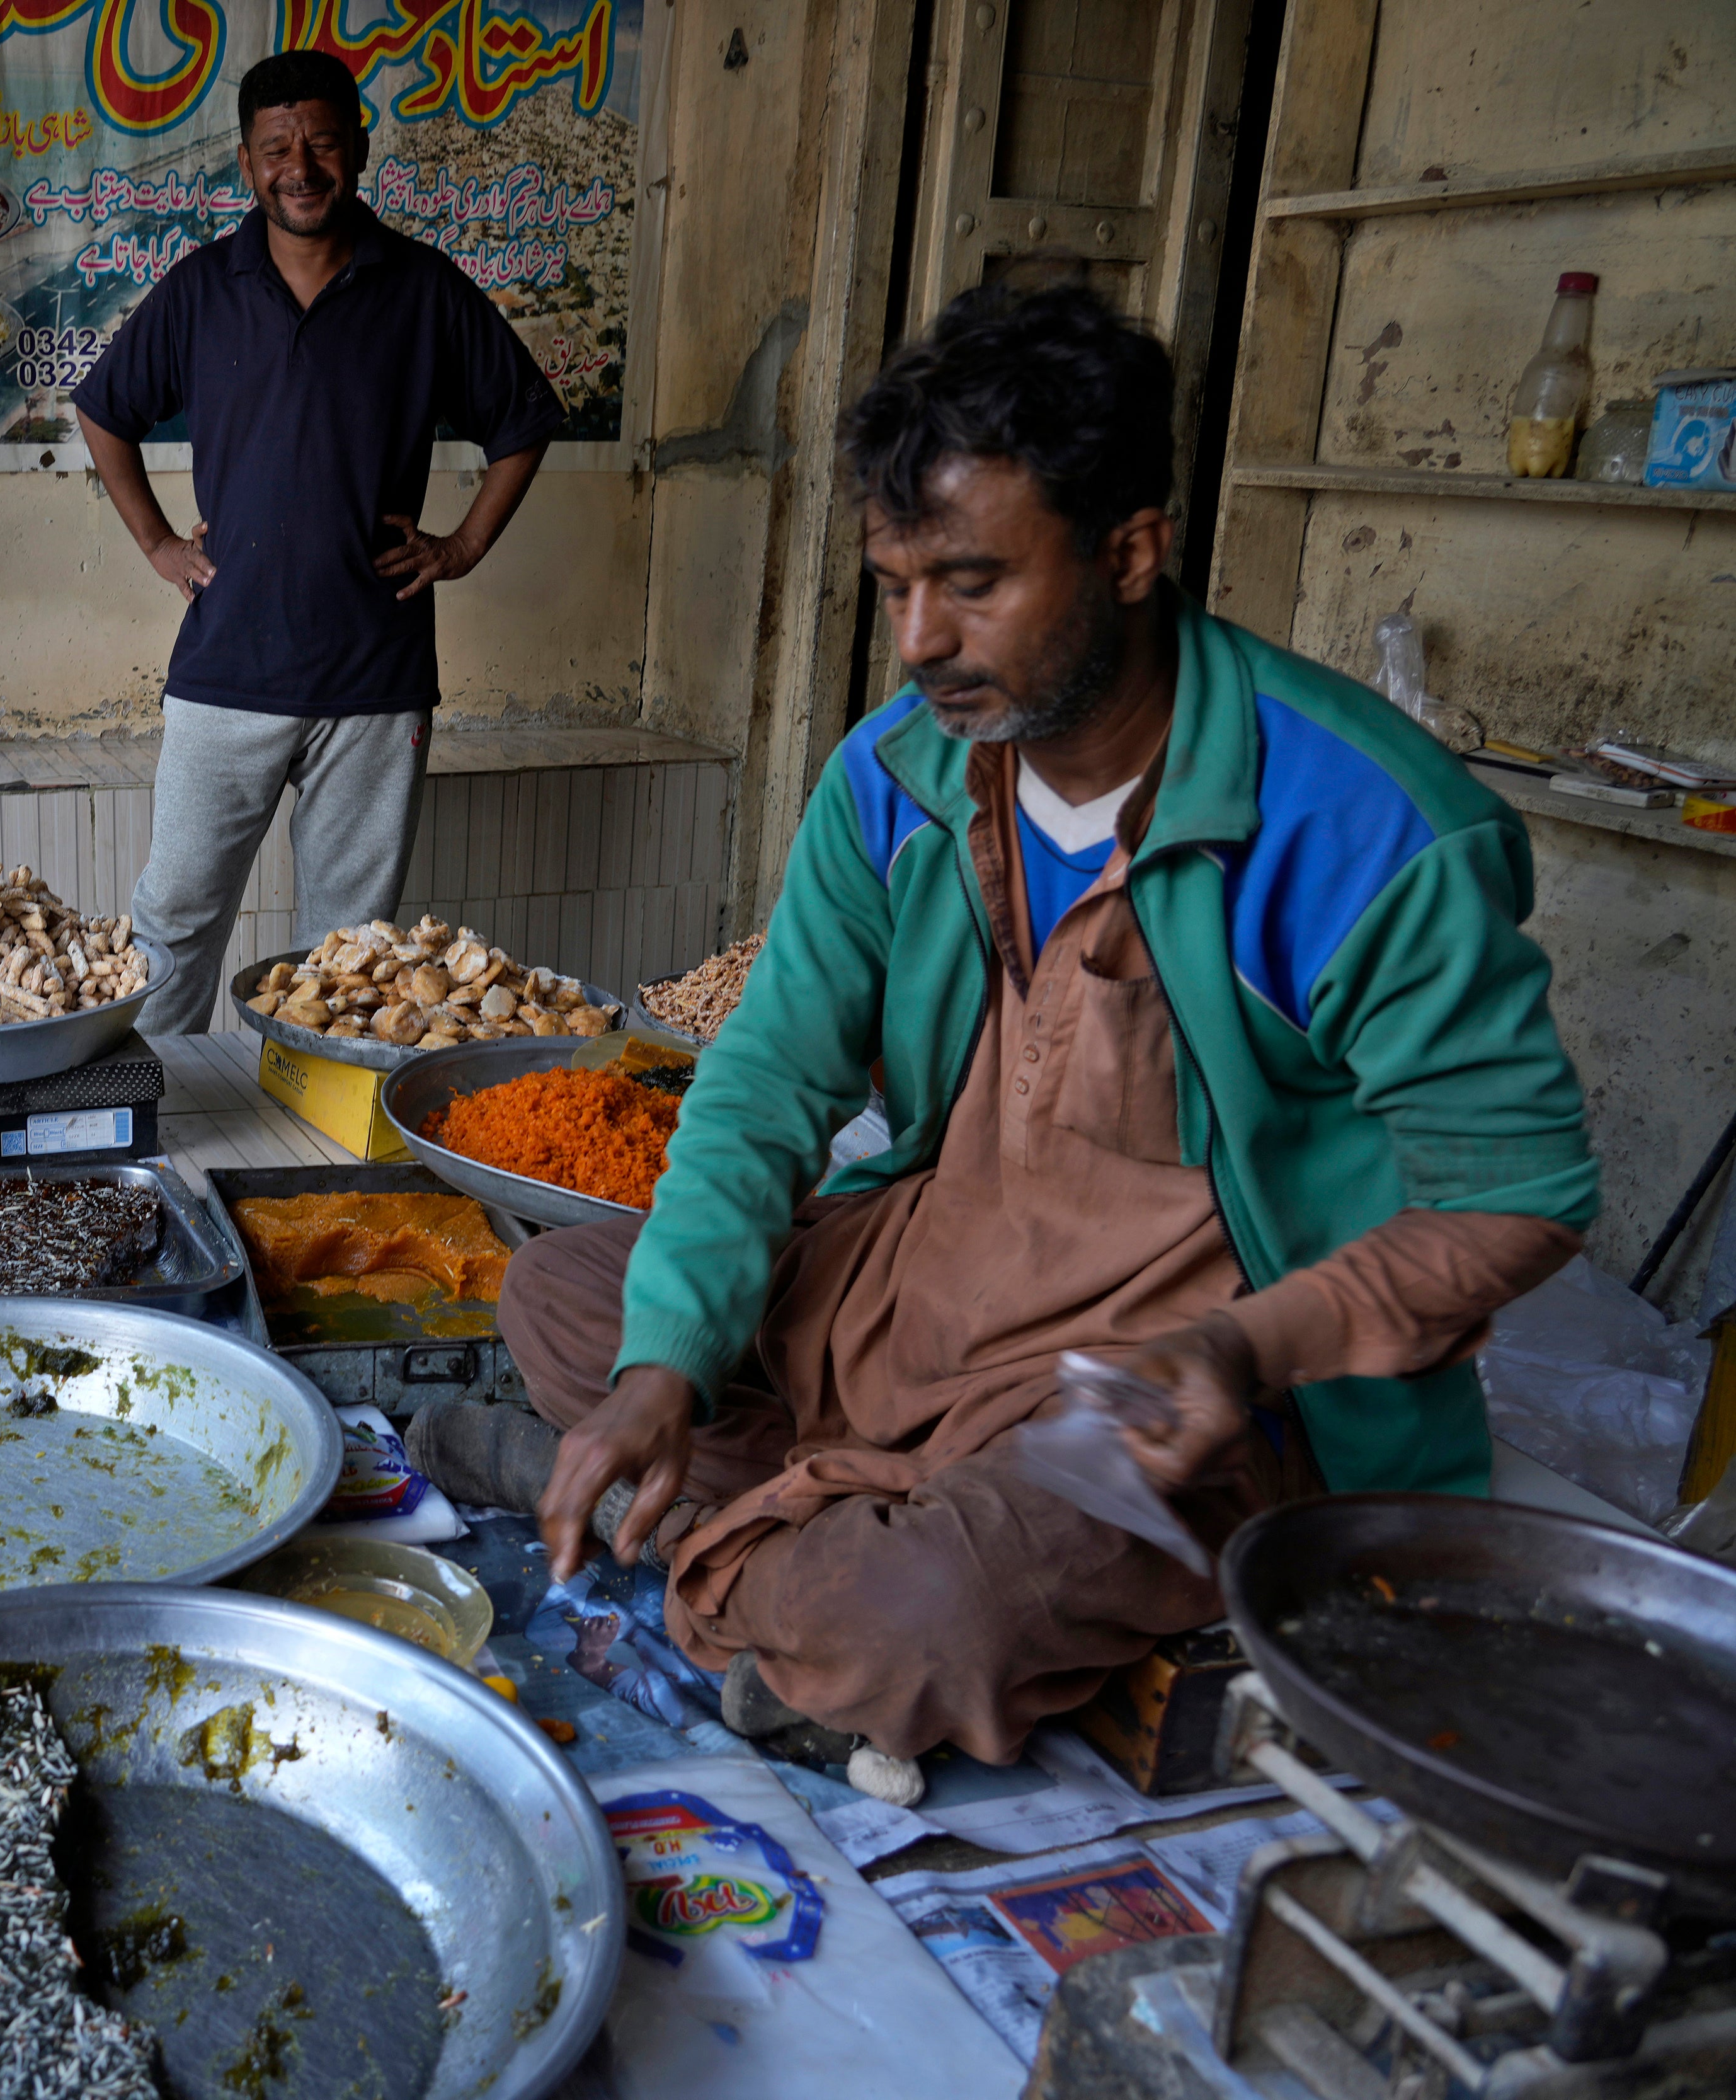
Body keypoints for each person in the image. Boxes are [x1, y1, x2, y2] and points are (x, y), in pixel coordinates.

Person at [414, 282, 1594, 1807]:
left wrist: (1253, 1348)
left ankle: (791, 1567)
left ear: (1128, 549)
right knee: (576, 1297)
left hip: (1171, 1382)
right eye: (896, 585)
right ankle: (798, 1545)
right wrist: (663, 1363)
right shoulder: (901, 778)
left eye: (971, 583)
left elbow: (1516, 1197)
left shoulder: (1364, 828)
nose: (920, 641)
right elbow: (769, 1082)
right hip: (926, 1280)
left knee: (911, 1622)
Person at [73, 50, 559, 1031]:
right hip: (226, 672)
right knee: (172, 923)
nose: (301, 166)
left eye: (323, 143)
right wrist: (162, 544)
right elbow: (105, 410)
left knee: (352, 950)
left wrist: (457, 549)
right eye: (276, 148)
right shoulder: (205, 288)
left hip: (373, 680)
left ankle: (311, 1137)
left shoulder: (423, 290)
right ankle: (153, 1126)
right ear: (249, 165)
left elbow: (523, 421)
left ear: (360, 150)